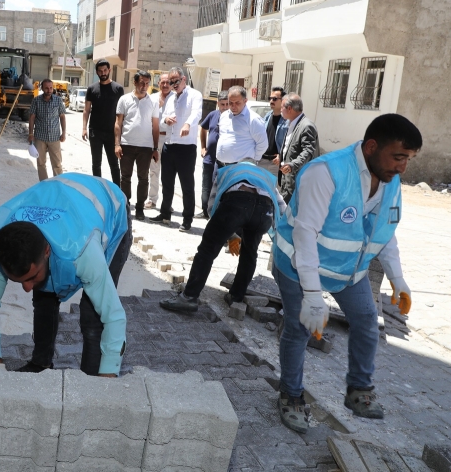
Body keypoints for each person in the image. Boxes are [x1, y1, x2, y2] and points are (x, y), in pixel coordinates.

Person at [272, 114, 421, 434]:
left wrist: (397, 278)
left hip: (346, 270)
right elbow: (304, 235)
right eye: (398, 157)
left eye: (408, 159)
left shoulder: (390, 180)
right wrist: (313, 295)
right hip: (298, 265)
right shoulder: (326, 172)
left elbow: (384, 230)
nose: (403, 167)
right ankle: (291, 395)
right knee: (300, 329)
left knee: (366, 320)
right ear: (371, 147)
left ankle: (359, 389)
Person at [0, 173, 131, 377]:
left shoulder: (83, 252)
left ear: (47, 251)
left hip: (109, 207)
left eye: (30, 277)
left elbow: (113, 317)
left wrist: (105, 381)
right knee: (43, 293)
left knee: (92, 314)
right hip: (58, 199)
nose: (26, 288)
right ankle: (40, 365)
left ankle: (90, 381)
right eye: (19, 281)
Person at [158, 160, 285, 313]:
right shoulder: (266, 176)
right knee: (250, 253)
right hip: (263, 211)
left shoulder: (226, 172)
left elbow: (212, 208)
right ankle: (236, 297)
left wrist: (230, 235)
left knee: (207, 250)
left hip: (236, 203)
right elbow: (282, 208)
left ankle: (189, 297)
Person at [148, 67, 203, 232]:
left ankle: (187, 219)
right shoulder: (171, 98)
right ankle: (165, 214)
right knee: (167, 183)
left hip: (186, 147)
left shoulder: (194, 95)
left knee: (187, 185)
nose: (173, 85)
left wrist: (187, 124)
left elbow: (196, 113)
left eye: (176, 82)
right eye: (171, 83)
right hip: (169, 145)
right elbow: (162, 120)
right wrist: (166, 120)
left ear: (184, 79)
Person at [115, 71, 160, 221]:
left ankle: (140, 208)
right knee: (125, 177)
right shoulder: (124, 99)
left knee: (143, 178)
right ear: (134, 82)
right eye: (141, 83)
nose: (144, 86)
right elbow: (118, 124)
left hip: (145, 147)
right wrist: (117, 144)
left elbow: (155, 127)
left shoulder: (153, 102)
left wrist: (155, 148)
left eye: (147, 83)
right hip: (126, 145)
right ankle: (126, 206)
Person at [82, 60, 124, 184]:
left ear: (109, 70)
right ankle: (98, 189)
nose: (103, 73)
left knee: (114, 163)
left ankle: (117, 190)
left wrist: (121, 132)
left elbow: (122, 112)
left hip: (112, 132)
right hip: (95, 131)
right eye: (100, 71)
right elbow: (86, 110)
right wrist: (84, 128)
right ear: (97, 72)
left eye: (105, 70)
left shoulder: (118, 89)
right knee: (96, 163)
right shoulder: (91, 88)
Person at [277, 94, 319, 202]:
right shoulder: (292, 123)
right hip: (287, 178)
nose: (280, 110)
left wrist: (292, 165)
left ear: (289, 108)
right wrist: (282, 157)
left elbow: (308, 151)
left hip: (297, 180)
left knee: (292, 209)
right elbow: (291, 146)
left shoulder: (306, 126)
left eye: (282, 107)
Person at [215, 86, 268, 166]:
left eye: (237, 103)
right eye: (230, 103)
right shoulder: (224, 115)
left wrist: (252, 161)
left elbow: (262, 144)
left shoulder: (253, 119)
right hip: (220, 164)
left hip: (241, 166)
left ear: (245, 101)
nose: (233, 106)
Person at [196, 91, 229, 219]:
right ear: (218, 103)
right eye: (222, 104)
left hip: (224, 161)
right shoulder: (212, 115)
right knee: (206, 186)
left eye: (227, 104)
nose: (225, 107)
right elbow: (203, 129)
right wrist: (203, 147)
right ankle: (205, 211)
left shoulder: (233, 118)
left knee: (221, 188)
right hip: (209, 158)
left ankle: (217, 213)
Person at [29, 78, 67, 181]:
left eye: (51, 88)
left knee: (57, 164)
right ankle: (44, 184)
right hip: (40, 137)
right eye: (46, 88)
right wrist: (30, 134)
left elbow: (62, 117)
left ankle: (58, 184)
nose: (49, 90)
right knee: (41, 163)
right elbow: (32, 117)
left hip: (55, 137)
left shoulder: (58, 100)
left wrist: (64, 133)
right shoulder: (36, 101)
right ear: (42, 88)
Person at [146, 73, 172, 209]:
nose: (165, 85)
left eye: (168, 82)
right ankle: (152, 199)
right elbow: (147, 117)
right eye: (163, 82)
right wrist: (158, 107)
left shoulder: (176, 98)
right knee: (154, 170)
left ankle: (167, 203)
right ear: (158, 83)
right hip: (155, 138)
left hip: (170, 140)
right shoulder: (152, 98)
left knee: (169, 173)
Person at [260, 86, 288, 177]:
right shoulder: (267, 117)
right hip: (262, 160)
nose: (271, 101)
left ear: (283, 101)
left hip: (275, 163)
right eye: (270, 98)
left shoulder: (287, 120)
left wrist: (281, 155)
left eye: (275, 99)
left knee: (274, 186)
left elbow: (289, 142)